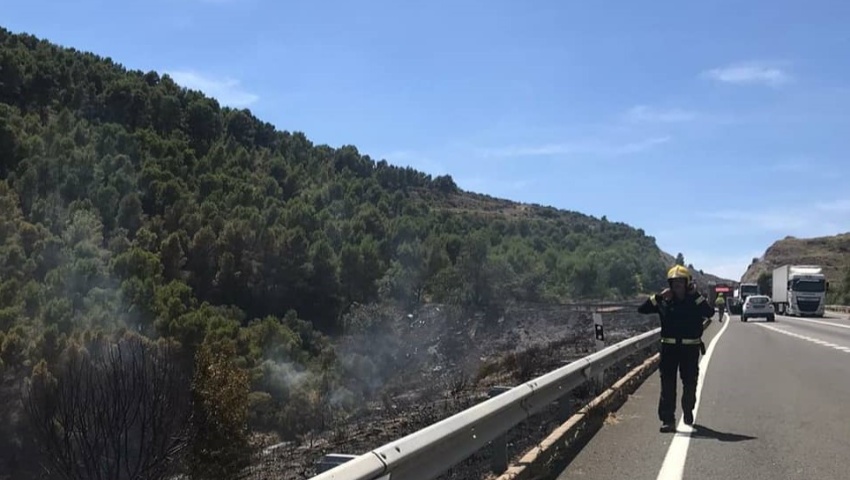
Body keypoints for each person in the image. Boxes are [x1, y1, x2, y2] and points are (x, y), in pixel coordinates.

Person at [638, 265, 716, 432]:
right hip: (669, 350)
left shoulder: (694, 300)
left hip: (690, 350)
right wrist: (658, 297)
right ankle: (668, 420)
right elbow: (642, 309)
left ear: (687, 283)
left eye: (681, 282)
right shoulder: (664, 301)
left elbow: (709, 313)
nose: (677, 286)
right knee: (667, 385)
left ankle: (687, 410)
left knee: (689, 383)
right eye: (674, 283)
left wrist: (695, 294)